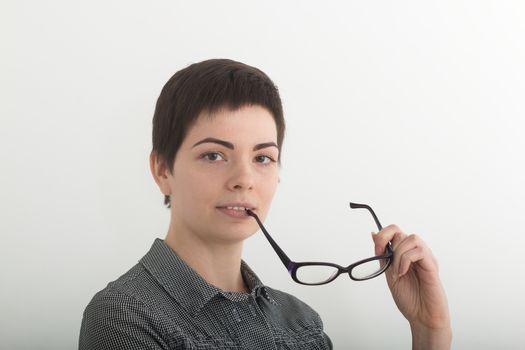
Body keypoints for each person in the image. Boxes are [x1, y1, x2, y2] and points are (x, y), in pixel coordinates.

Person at [79, 59, 452, 349]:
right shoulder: (124, 316)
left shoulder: (301, 322)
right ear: (162, 170)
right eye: (214, 155)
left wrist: (428, 330)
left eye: (262, 158)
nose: (244, 179)